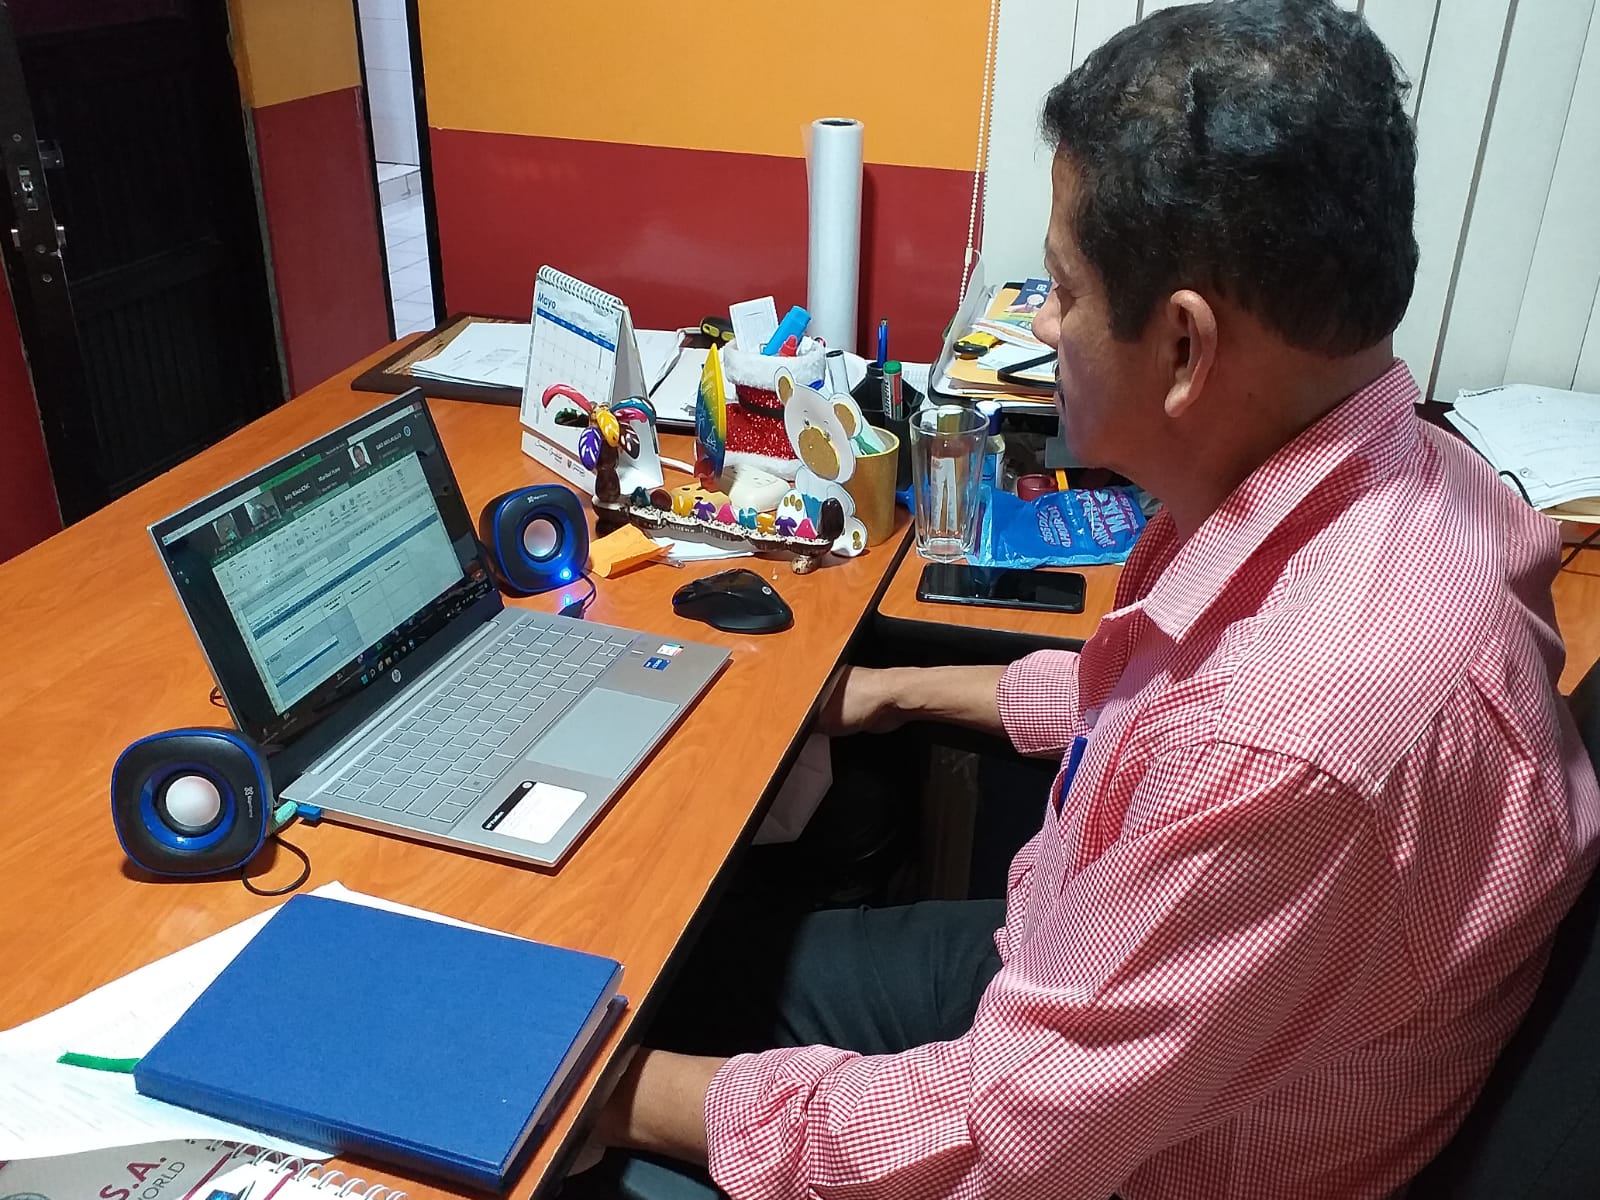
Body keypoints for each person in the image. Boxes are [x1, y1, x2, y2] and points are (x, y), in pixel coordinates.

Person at [579, 2, 1600, 1197]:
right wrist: (889, 691)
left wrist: (602, 1092)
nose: (1039, 323)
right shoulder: (1415, 474)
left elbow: (997, 1140)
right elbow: (1160, 707)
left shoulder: (1287, 736)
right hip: (1100, 984)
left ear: (1183, 349)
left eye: (1059, 289)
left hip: (1136, 1154)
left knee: (583, 1094)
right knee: (698, 963)